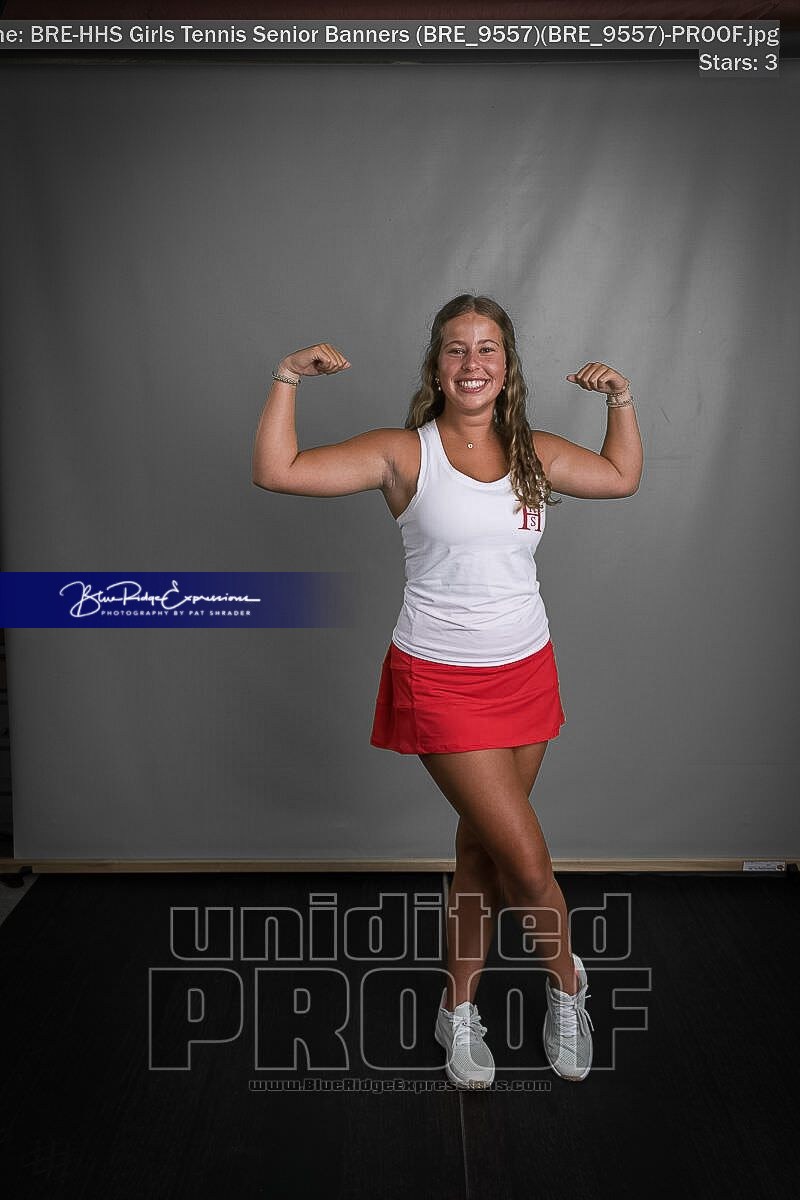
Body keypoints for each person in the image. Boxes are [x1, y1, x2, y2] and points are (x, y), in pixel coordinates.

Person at [252, 294, 643, 1089]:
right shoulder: (404, 453)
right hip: (439, 678)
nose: (472, 362)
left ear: (507, 366)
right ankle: (568, 983)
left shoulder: (533, 452)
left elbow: (621, 476)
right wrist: (286, 376)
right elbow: (277, 470)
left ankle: (455, 1008)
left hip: (526, 670)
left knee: (479, 853)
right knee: (526, 861)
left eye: (487, 348)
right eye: (457, 349)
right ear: (436, 366)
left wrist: (621, 399)